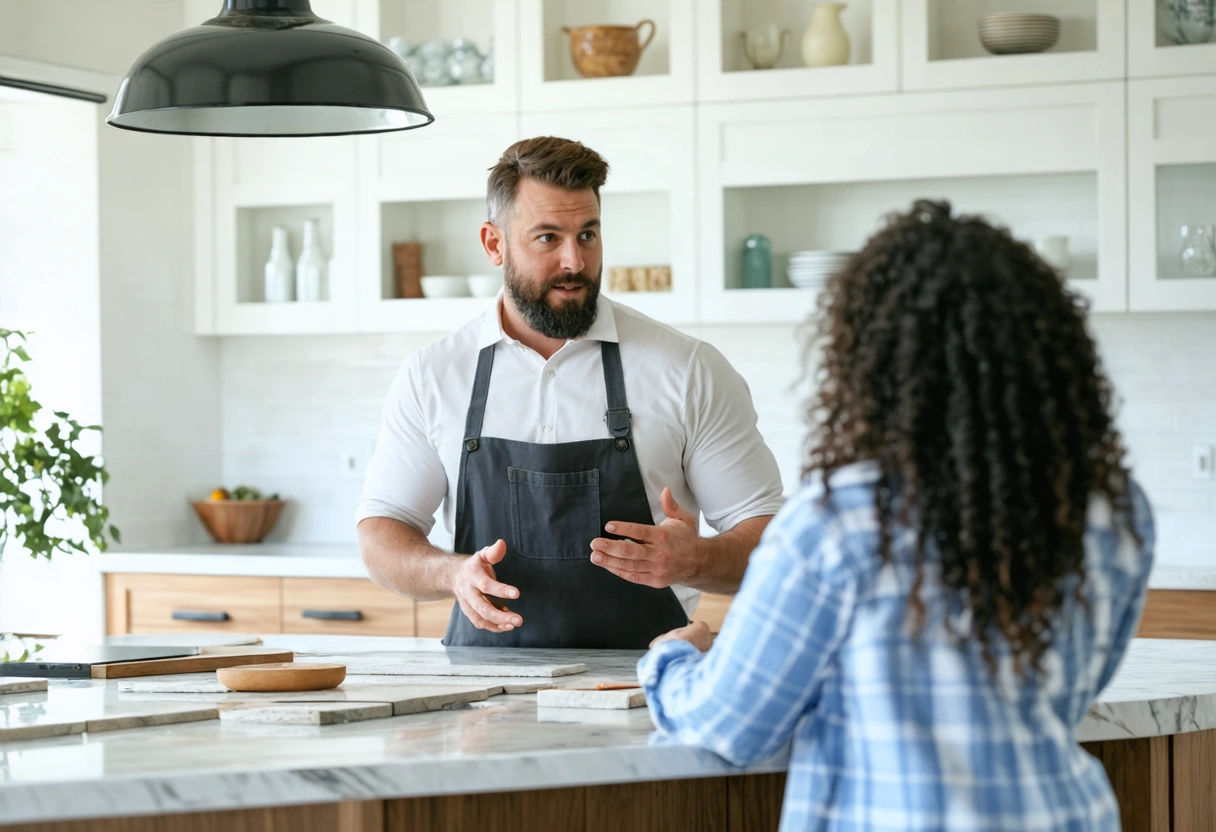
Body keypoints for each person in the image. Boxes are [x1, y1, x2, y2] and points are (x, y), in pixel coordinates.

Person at [639, 200, 1155, 831]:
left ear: (875, 362)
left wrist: (674, 657)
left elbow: (731, 727)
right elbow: (1073, 687)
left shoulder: (841, 521)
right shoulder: (1113, 509)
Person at [356, 136, 784, 648]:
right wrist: (450, 573)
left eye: (587, 235)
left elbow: (774, 541)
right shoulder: (434, 375)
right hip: (482, 701)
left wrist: (696, 559)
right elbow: (383, 533)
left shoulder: (687, 369)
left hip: (647, 689)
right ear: (494, 244)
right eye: (547, 238)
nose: (574, 262)